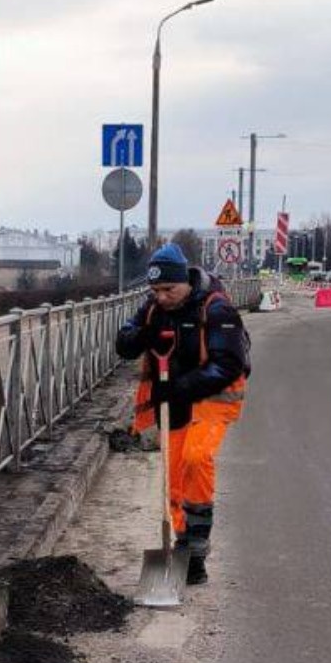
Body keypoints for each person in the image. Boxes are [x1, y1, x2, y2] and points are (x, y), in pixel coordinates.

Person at [116, 242, 249, 584]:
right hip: (172, 402)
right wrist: (145, 334)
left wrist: (179, 386)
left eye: (168, 289)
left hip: (212, 400)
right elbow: (124, 342)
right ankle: (183, 548)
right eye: (155, 290)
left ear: (185, 282)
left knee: (196, 457)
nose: (161, 297)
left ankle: (197, 548)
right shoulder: (154, 308)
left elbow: (230, 364)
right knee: (175, 478)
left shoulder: (216, 309)